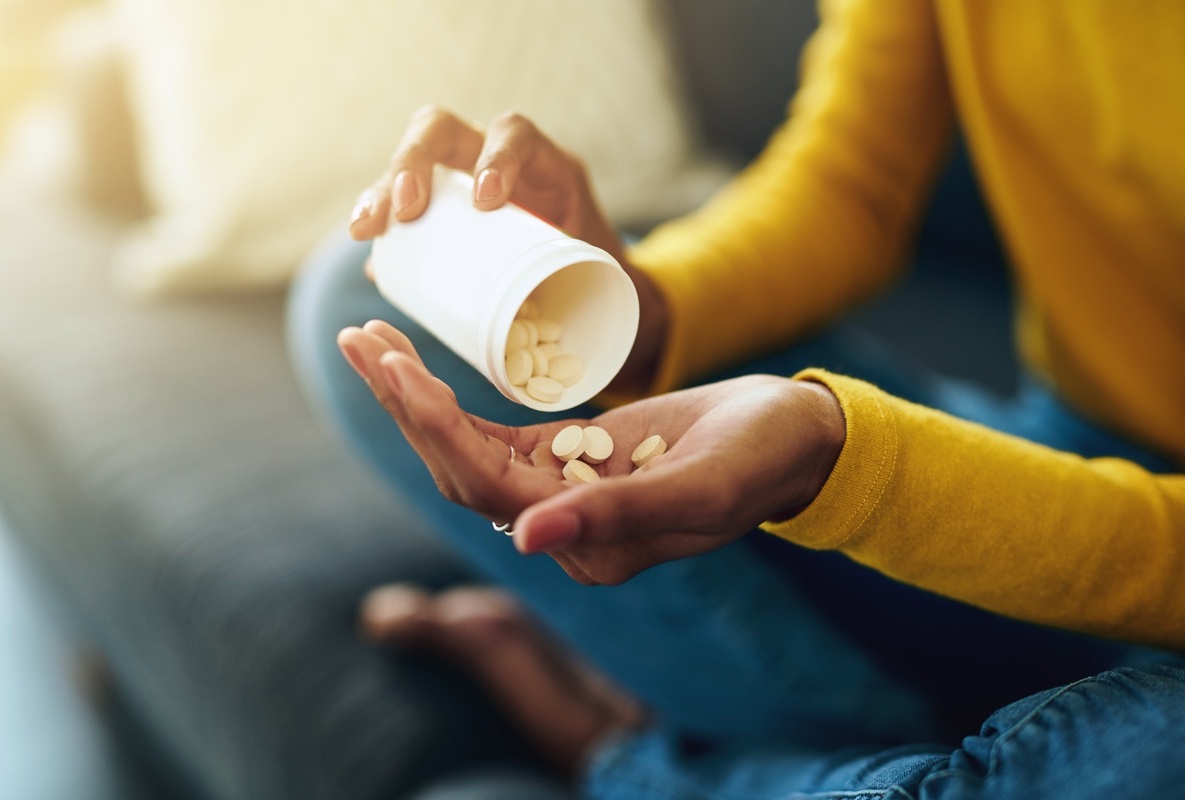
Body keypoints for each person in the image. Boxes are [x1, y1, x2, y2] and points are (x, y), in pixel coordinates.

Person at [287, 1, 1185, 797]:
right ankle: (914, 752)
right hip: (1071, 442)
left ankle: (628, 754)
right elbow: (852, 183)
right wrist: (644, 311)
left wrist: (842, 460)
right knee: (358, 291)